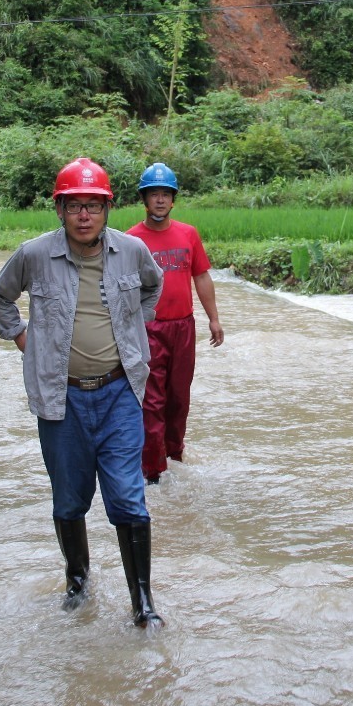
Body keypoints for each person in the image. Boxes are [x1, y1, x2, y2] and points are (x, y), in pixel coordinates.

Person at [0, 157, 167, 628]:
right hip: (60, 400)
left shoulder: (131, 251)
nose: (84, 215)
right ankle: (77, 581)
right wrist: (24, 339)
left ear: (107, 208)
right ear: (60, 210)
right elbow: (0, 295)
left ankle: (142, 602)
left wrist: (134, 328)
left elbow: (154, 286)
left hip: (119, 394)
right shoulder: (33, 254)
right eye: (74, 206)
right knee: (69, 500)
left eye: (93, 205)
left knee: (128, 499)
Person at [127, 162, 225, 484]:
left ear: (173, 199)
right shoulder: (130, 241)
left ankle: (175, 454)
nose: (159, 200)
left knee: (179, 398)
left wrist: (214, 318)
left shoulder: (188, 234)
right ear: (144, 199)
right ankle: (153, 471)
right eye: (153, 194)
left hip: (183, 328)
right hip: (148, 329)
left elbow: (201, 276)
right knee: (152, 401)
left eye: (165, 194)